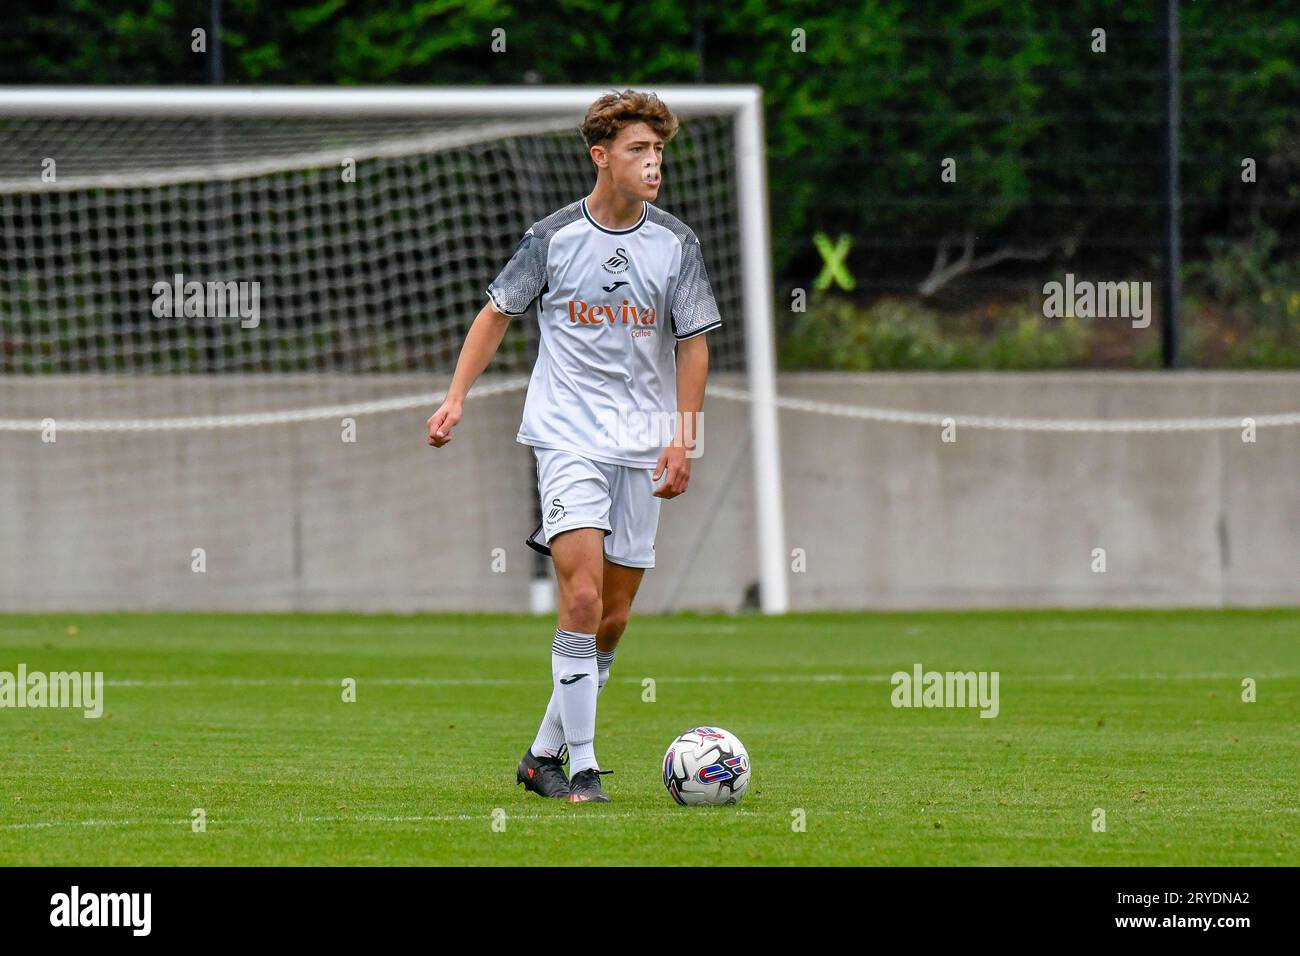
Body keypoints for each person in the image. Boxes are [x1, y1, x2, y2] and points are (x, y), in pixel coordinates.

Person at [427, 89, 721, 803]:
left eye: (659, 152)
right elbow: (496, 313)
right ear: (601, 156)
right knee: (582, 597)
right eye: (637, 151)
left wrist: (683, 441)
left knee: (613, 619)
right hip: (566, 438)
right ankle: (583, 769)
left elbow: (695, 345)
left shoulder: (676, 244)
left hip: (642, 445)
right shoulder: (552, 238)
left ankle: (540, 756)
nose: (653, 164)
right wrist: (456, 395)